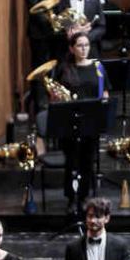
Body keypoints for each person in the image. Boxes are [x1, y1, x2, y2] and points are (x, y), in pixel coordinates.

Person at [45, 27, 108, 216]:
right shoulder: (64, 69)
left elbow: (105, 91)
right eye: (80, 46)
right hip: (70, 122)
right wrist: (56, 97)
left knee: (87, 162)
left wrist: (104, 99)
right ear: (72, 48)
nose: (84, 49)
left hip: (90, 121)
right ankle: (72, 198)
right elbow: (54, 98)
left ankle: (84, 197)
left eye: (86, 45)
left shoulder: (97, 67)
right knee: (72, 162)